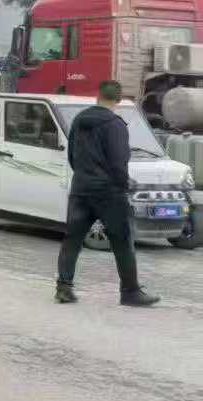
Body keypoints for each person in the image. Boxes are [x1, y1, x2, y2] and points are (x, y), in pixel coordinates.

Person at [56, 80, 160, 306]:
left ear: (98, 96)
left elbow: (72, 156)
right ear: (119, 99)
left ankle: (63, 288)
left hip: (81, 188)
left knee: (72, 239)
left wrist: (85, 176)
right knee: (122, 240)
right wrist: (124, 186)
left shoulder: (79, 121)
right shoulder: (115, 125)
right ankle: (130, 292)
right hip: (108, 192)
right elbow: (118, 163)